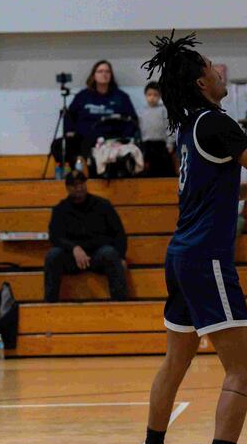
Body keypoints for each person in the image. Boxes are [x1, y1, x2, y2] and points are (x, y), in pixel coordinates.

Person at [130, 31, 247, 444]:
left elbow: (234, 189)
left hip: (182, 255)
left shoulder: (190, 127)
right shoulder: (217, 122)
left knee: (175, 362)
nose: (218, 70)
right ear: (201, 83)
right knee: (243, 371)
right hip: (206, 258)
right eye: (210, 66)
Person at [43, 171, 129, 302]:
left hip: (98, 256)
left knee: (110, 253)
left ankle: (121, 304)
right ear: (67, 188)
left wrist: (121, 257)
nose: (79, 187)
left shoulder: (103, 205)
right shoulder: (60, 209)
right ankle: (49, 306)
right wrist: (74, 248)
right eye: (74, 185)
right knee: (52, 255)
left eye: (81, 183)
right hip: (72, 258)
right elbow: (55, 236)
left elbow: (119, 233)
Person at [65, 60, 139, 160]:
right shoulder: (82, 96)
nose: (104, 74)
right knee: (59, 145)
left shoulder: (121, 97)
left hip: (112, 139)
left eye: (107, 71)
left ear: (111, 75)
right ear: (93, 76)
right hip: (85, 138)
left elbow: (133, 120)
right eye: (100, 71)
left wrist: (123, 139)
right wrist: (69, 131)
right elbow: (69, 116)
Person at [139, 81, 176, 178]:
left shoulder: (163, 110)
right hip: (147, 144)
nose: (152, 97)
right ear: (145, 95)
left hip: (161, 145)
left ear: (160, 96)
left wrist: (170, 143)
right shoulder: (141, 112)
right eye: (149, 94)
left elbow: (169, 127)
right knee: (148, 171)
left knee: (164, 169)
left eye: (155, 95)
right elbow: (140, 127)